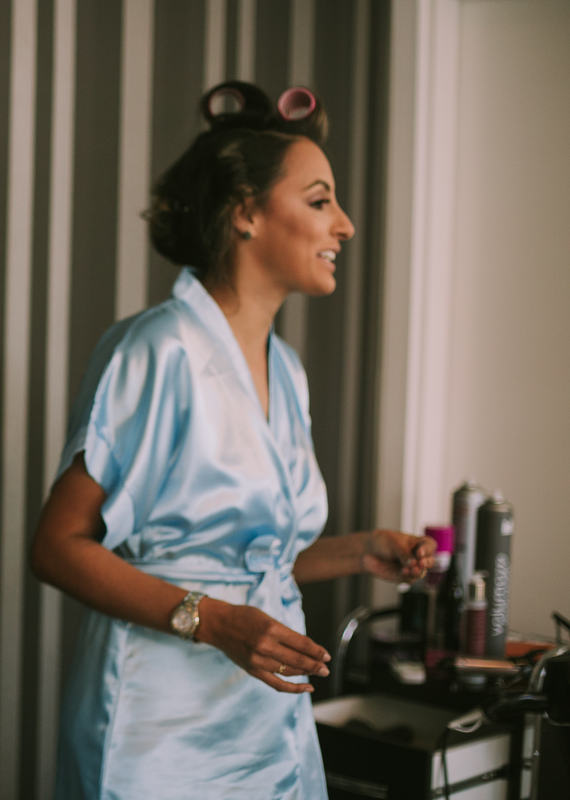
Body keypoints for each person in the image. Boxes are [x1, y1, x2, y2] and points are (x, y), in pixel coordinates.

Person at [29, 82, 437, 799]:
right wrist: (214, 623)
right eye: (320, 200)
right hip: (158, 731)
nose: (344, 225)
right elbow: (56, 548)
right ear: (245, 211)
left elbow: (244, 561)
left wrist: (359, 550)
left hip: (267, 723)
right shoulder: (157, 352)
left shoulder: (287, 371)